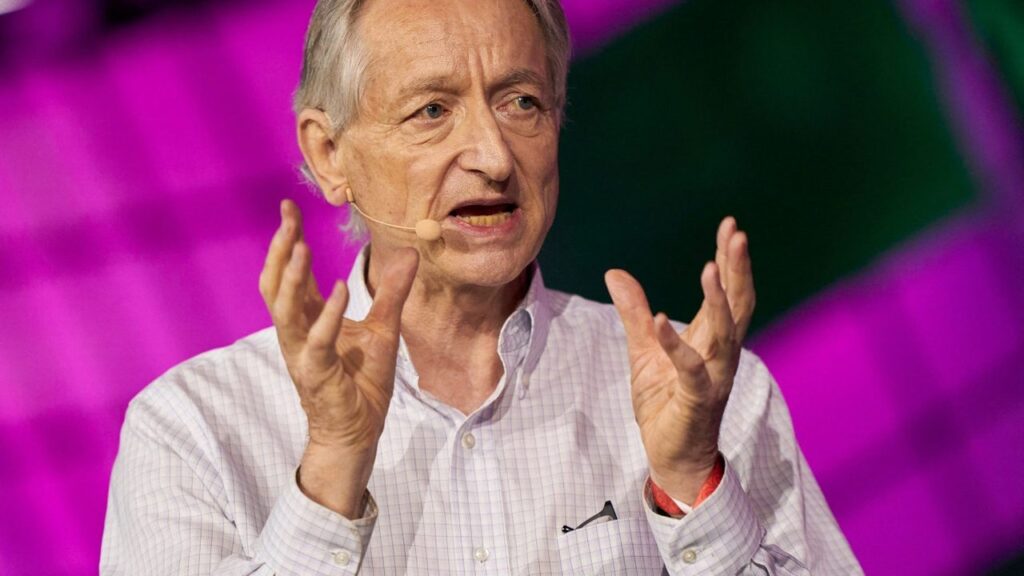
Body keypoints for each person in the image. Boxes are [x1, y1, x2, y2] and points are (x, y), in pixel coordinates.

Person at [100, 0, 862, 574]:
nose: (494, 157)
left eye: (521, 102)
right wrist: (330, 469)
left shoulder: (708, 395)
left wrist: (693, 484)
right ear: (330, 154)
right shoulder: (194, 431)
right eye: (432, 110)